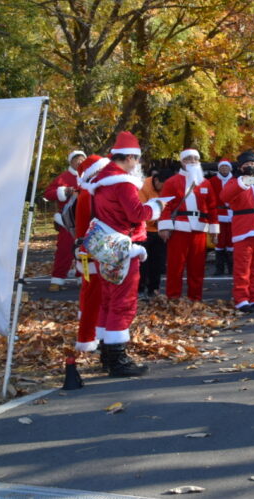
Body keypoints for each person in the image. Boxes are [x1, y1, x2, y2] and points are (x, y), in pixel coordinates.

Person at [86, 132, 167, 376]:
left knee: (108, 301)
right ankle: (117, 358)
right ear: (131, 157)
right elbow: (136, 214)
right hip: (124, 246)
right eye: (137, 160)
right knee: (123, 303)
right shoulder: (123, 182)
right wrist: (157, 207)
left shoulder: (101, 181)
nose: (138, 165)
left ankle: (107, 354)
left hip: (106, 246)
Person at [158, 149, 219, 302]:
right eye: (188, 159)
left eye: (195, 159)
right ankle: (173, 299)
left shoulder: (205, 183)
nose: (192, 161)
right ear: (182, 162)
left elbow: (212, 207)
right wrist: (164, 227)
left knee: (197, 267)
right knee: (175, 266)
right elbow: (165, 205)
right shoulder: (172, 182)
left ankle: (195, 299)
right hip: (179, 229)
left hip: (199, 229)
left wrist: (214, 229)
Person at [220, 150, 254, 313]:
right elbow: (225, 196)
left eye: (253, 164)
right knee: (243, 266)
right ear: (241, 167)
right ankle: (241, 298)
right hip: (244, 228)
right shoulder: (235, 182)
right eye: (247, 164)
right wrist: (244, 181)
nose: (251, 167)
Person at [72, 154, 109, 356]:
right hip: (94, 252)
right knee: (94, 298)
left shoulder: (89, 193)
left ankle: (94, 336)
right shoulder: (89, 195)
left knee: (93, 297)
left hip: (93, 252)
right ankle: (87, 338)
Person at [43, 150, 86, 292]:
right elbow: (48, 194)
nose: (80, 162)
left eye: (82, 159)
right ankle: (57, 279)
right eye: (76, 159)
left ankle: (83, 278)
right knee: (64, 251)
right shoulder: (63, 177)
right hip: (66, 221)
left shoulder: (91, 177)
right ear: (71, 162)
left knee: (85, 252)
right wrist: (65, 191)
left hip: (85, 221)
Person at [138, 168, 172, 298]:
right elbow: (141, 210)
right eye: (163, 186)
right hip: (145, 230)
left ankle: (154, 289)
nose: (165, 190)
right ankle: (140, 289)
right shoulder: (143, 186)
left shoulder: (165, 188)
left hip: (160, 229)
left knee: (158, 262)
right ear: (157, 180)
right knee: (143, 263)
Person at [209, 159, 235, 277]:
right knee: (219, 242)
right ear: (218, 168)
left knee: (231, 241)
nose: (224, 169)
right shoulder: (212, 181)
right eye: (222, 167)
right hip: (219, 214)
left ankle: (232, 268)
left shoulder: (235, 180)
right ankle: (219, 268)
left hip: (232, 213)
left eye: (226, 167)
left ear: (230, 168)